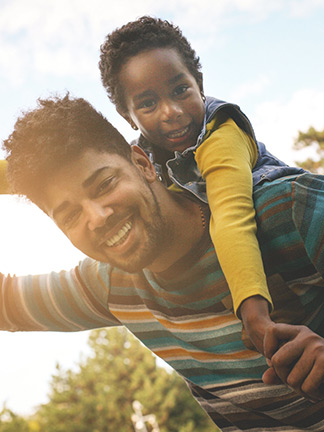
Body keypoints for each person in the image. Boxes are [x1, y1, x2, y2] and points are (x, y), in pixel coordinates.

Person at [2, 94, 324, 431]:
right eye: (70, 216)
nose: (97, 218)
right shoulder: (113, 286)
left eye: (105, 184)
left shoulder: (287, 210)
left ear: (142, 164)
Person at [99, 16, 305, 355]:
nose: (171, 111)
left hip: (291, 248)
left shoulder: (220, 132)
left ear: (200, 83)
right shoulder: (143, 157)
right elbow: (71, 167)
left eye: (181, 90)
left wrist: (252, 310)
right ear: (127, 115)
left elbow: (230, 213)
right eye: (148, 103)